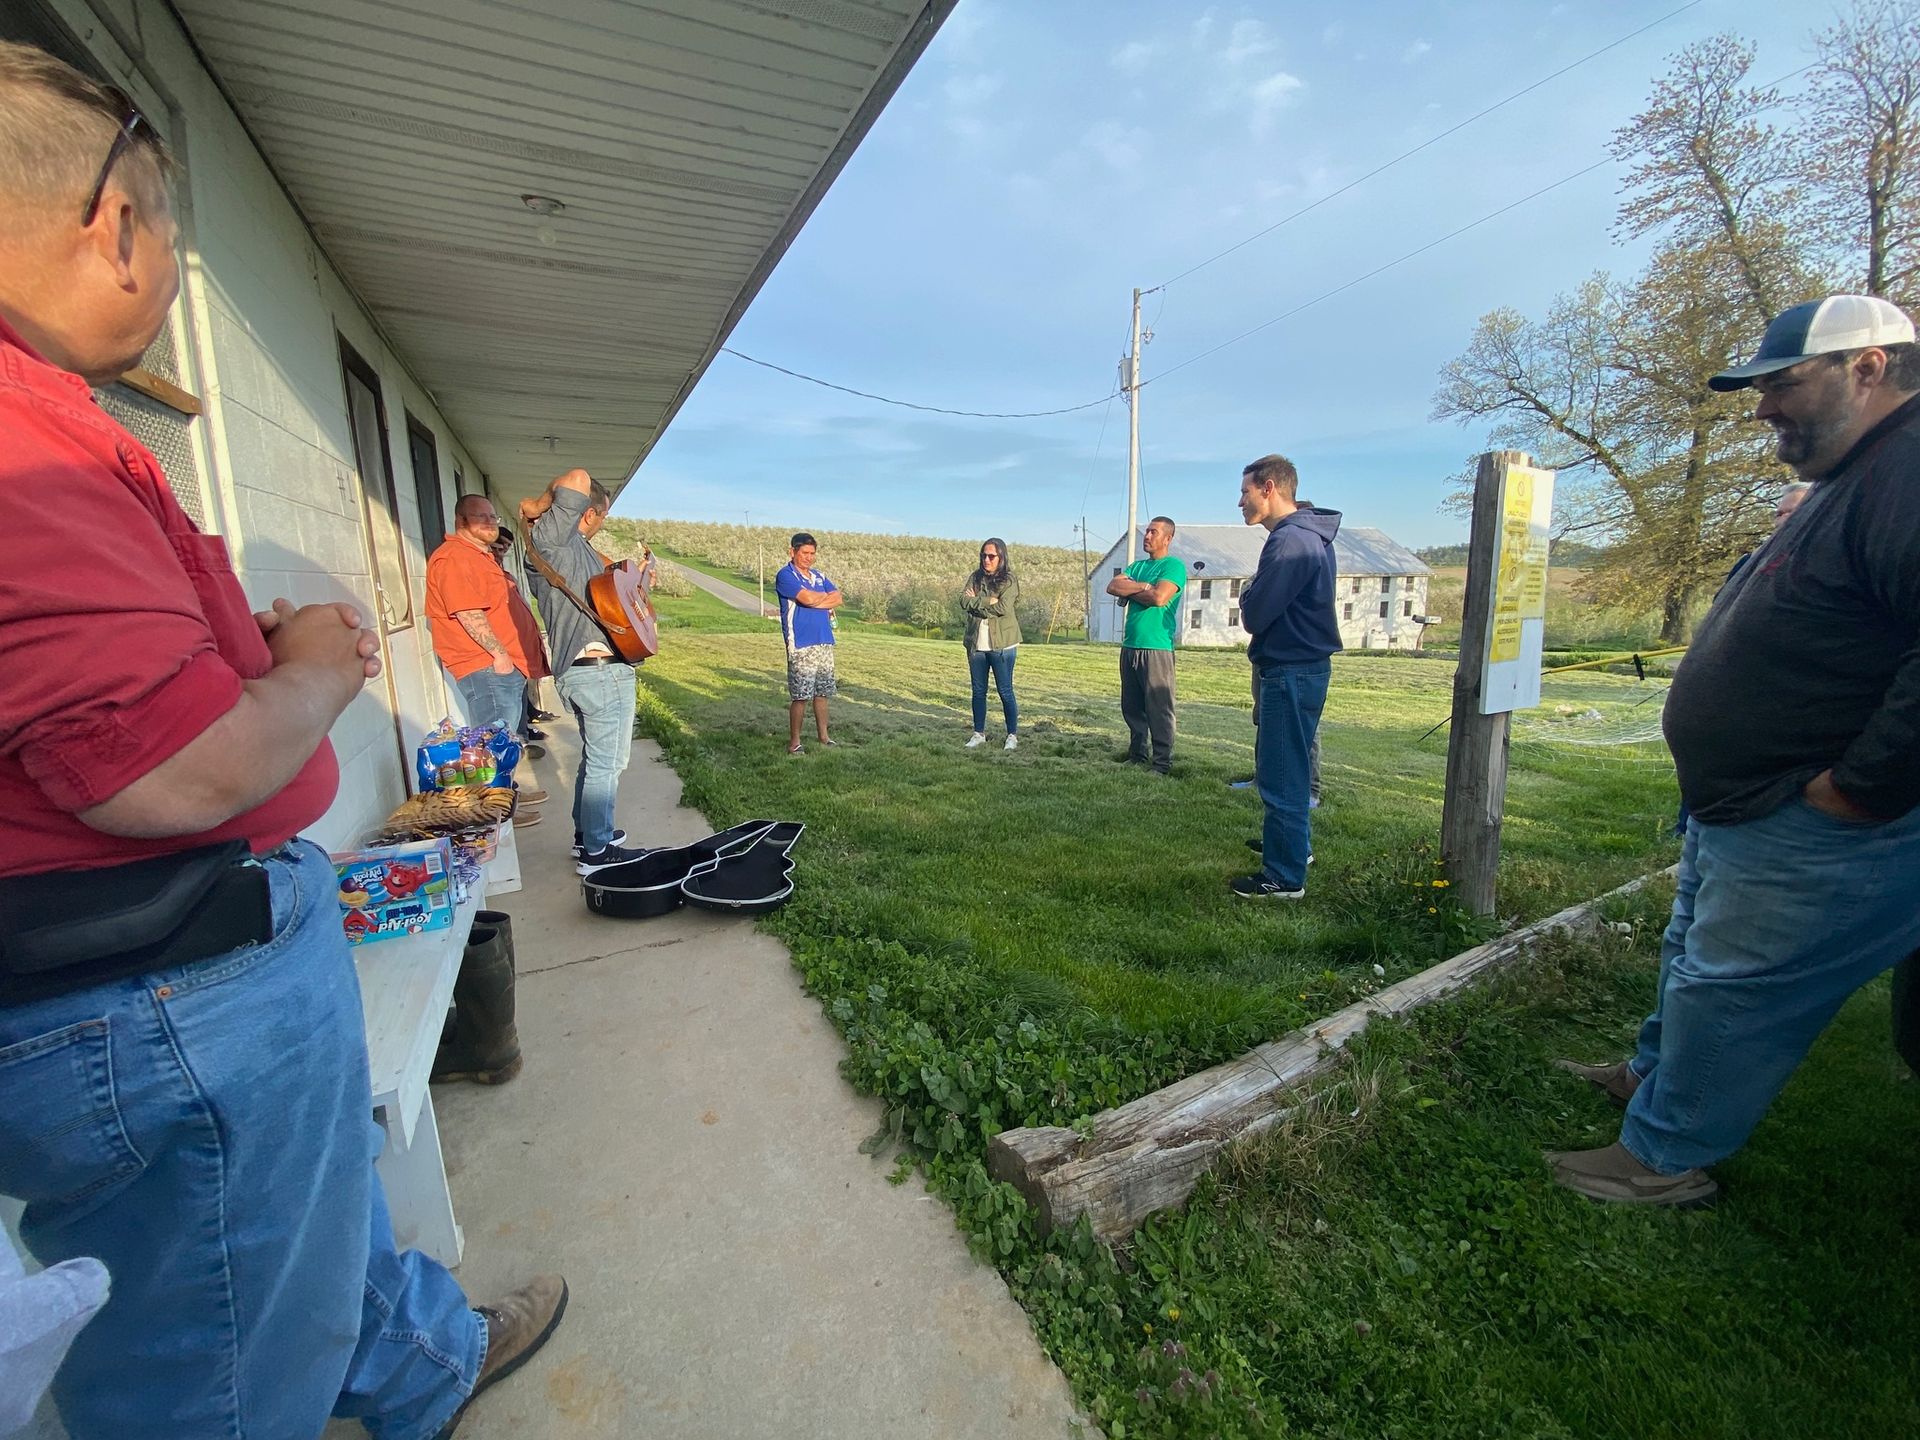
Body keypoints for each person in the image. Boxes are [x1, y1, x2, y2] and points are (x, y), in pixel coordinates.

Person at [0, 39, 565, 1438]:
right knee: (221, 1365)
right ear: (113, 226)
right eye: (173, 230)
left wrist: (242, 656)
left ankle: (417, 1365)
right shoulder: (29, 443)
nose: (176, 264)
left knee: (310, 1225)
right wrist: (311, 673)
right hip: (167, 990)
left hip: (184, 976)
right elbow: (166, 770)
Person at [1551, 294, 1920, 1206]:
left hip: (1816, 816)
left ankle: (1663, 1157)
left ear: (1866, 368)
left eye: (1782, 384)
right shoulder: (1859, 472)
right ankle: (1652, 1081)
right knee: (1690, 955)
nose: (1762, 411)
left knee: (1736, 987)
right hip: (1745, 801)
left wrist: (1857, 789)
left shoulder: (1909, 471)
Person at [520, 470, 646, 874]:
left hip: (592, 670)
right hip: (596, 671)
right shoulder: (553, 539)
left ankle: (590, 835)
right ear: (589, 512)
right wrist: (537, 505)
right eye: (603, 515)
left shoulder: (575, 549)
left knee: (598, 759)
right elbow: (577, 476)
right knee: (607, 764)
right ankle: (597, 852)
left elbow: (614, 594)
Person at [1232, 456, 1342, 900]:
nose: (1240, 501)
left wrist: (1247, 593)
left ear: (1269, 488)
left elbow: (1256, 613)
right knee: (1290, 766)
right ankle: (1291, 847)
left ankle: (1283, 877)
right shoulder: (1307, 535)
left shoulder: (1291, 541)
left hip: (1290, 670)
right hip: (1304, 667)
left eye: (1245, 492)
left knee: (1281, 773)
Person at [426, 494, 530, 732]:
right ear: (460, 520)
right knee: (493, 749)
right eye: (480, 516)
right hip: (490, 669)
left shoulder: (479, 557)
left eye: (493, 516)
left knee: (503, 749)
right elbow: (467, 611)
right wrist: (500, 657)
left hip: (502, 669)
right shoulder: (455, 556)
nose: (490, 521)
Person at [1106, 516, 1186, 773]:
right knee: (1132, 705)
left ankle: (1162, 763)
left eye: (1153, 532)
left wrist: (1131, 591)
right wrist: (1142, 587)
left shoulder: (1173, 566)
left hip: (1157, 647)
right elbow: (1112, 585)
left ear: (1168, 538)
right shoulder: (1138, 567)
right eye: (1146, 532)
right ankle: (1137, 754)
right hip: (1130, 645)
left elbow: (1160, 598)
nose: (1147, 536)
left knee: (1159, 706)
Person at [776, 532, 843, 754]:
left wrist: (816, 599)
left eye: (812, 553)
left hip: (824, 640)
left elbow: (838, 598)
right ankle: (795, 742)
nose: (808, 558)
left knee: (822, 693)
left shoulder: (819, 576)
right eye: (804, 553)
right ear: (792, 551)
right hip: (801, 643)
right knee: (801, 695)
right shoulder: (786, 575)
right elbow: (805, 599)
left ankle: (824, 737)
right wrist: (820, 599)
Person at [489, 525, 553, 745]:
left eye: (507, 547)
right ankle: (514, 742)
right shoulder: (483, 570)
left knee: (518, 699)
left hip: (516, 650)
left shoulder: (501, 571)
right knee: (503, 714)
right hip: (502, 653)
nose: (503, 551)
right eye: (499, 546)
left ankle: (523, 730)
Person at [960, 537, 1022, 750]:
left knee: (1005, 691)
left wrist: (976, 603)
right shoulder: (975, 577)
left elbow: (1003, 607)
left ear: (1001, 557)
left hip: (1002, 643)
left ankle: (1012, 735)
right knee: (978, 691)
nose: (986, 560)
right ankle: (978, 733)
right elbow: (963, 601)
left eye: (991, 556)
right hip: (977, 643)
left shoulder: (1009, 580)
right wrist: (988, 601)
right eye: (983, 555)